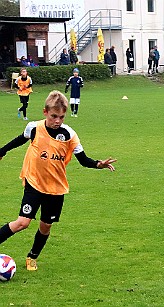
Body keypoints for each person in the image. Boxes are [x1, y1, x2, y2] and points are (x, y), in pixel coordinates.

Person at [0, 90, 116, 271]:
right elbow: (19, 140)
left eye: (61, 117)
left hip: (56, 188)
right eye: (54, 116)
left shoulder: (70, 135)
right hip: (34, 183)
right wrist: (2, 151)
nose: (57, 121)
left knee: (45, 226)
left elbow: (83, 160)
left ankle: (32, 257)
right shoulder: (34, 128)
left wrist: (98, 164)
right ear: (45, 112)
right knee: (22, 222)